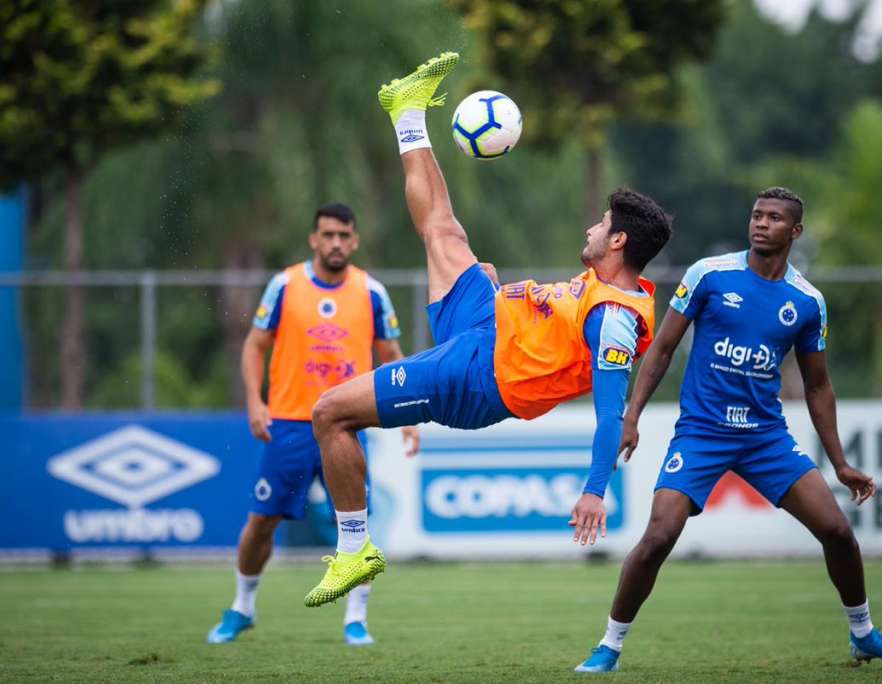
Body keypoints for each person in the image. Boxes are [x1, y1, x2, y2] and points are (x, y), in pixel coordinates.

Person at [302, 52, 673, 608]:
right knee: (442, 230)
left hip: (481, 377)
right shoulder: (602, 281)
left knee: (330, 412)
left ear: (618, 242)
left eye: (602, 225)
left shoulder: (616, 319)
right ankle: (407, 112)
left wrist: (595, 490)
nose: (592, 227)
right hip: (489, 320)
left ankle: (355, 548)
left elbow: (610, 413)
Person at [574, 188, 882, 672]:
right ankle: (609, 646)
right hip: (702, 433)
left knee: (838, 532)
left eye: (774, 218)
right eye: (757, 215)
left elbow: (819, 387)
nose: (761, 224)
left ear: (794, 232)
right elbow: (662, 350)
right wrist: (632, 415)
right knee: (657, 537)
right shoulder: (709, 275)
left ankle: (863, 634)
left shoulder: (806, 302)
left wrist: (840, 463)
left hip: (765, 438)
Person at [207, 202, 420, 646]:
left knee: (357, 525)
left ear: (355, 240)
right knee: (261, 523)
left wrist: (409, 415)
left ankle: (356, 619)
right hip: (289, 425)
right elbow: (254, 346)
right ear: (314, 239)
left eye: (344, 235)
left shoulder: (371, 291)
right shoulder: (284, 285)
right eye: (328, 235)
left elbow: (392, 358)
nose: (336, 243)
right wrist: (254, 401)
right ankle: (242, 607)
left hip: (345, 426)